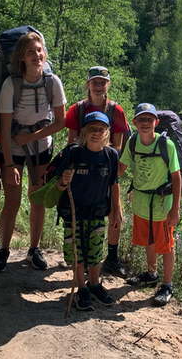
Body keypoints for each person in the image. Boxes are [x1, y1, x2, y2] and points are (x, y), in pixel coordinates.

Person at [0, 31, 66, 273]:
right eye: (31, 51)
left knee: (38, 199)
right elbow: (4, 128)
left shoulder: (53, 82)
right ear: (21, 57)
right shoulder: (10, 84)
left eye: (39, 50)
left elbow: (60, 122)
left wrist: (30, 137)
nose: (36, 55)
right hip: (13, 149)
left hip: (41, 147)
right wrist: (9, 163)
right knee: (12, 201)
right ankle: (3, 250)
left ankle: (34, 249)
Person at [65, 66, 128, 278]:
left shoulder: (116, 110)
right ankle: (81, 261)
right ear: (88, 84)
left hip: (106, 167)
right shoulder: (77, 109)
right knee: (82, 215)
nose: (99, 86)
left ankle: (111, 257)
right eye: (95, 83)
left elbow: (118, 146)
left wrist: (102, 155)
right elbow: (71, 141)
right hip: (82, 170)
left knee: (113, 211)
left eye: (102, 82)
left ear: (108, 84)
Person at [54, 112, 122, 310]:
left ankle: (94, 284)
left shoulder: (111, 155)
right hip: (74, 214)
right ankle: (81, 289)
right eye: (92, 128)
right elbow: (58, 186)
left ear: (107, 132)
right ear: (83, 131)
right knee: (77, 253)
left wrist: (116, 210)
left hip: (98, 213)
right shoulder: (74, 153)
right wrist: (64, 180)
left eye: (101, 129)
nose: (96, 133)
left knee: (95, 251)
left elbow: (114, 184)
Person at [118, 103, 181, 306]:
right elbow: (121, 167)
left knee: (166, 244)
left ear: (156, 122)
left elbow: (177, 177)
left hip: (162, 205)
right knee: (149, 240)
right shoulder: (133, 142)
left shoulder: (166, 145)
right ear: (134, 122)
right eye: (141, 119)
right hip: (141, 202)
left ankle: (167, 284)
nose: (145, 123)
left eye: (149, 119)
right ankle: (151, 274)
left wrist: (175, 209)